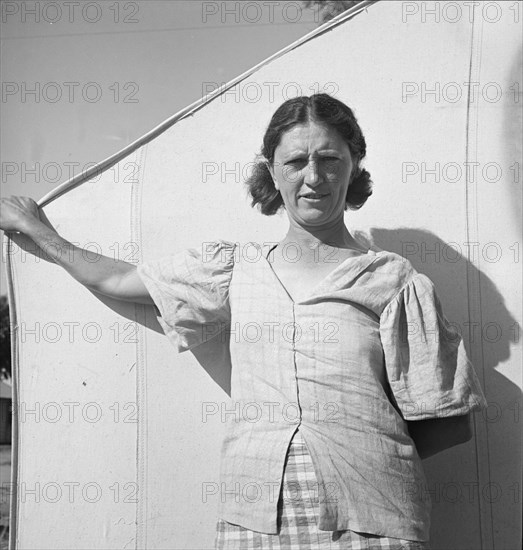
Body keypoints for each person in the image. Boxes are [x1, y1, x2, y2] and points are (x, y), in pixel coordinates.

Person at [0, 93, 487, 550]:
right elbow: (121, 280)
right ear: (272, 173)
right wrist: (39, 231)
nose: (313, 177)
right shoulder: (233, 269)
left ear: (353, 166)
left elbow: (450, 422)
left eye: (330, 159)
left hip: (376, 521)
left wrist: (363, 457)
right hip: (255, 521)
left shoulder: (393, 280)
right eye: (296, 161)